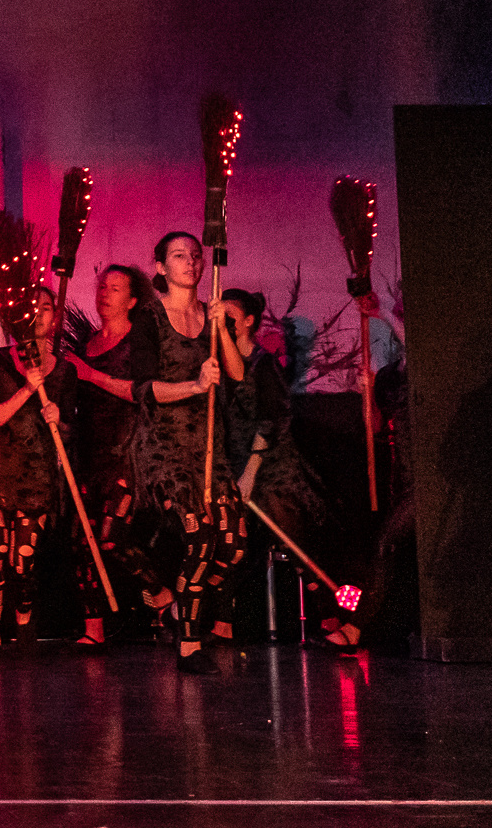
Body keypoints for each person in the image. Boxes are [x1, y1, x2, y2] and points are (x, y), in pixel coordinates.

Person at [107, 232, 236, 674]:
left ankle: (180, 605)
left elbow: (236, 373)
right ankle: (189, 644)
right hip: (164, 446)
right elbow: (144, 389)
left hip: (209, 444)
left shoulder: (211, 314)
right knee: (199, 538)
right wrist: (195, 385)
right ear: (161, 267)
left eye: (195, 255)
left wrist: (221, 328)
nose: (191, 262)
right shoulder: (150, 318)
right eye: (179, 255)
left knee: (234, 545)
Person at [217, 287, 363, 652]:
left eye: (230, 316)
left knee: (296, 548)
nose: (223, 321)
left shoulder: (264, 365)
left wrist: (250, 473)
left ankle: (343, 623)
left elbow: (273, 419)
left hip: (272, 470)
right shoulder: (220, 365)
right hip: (238, 467)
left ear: (248, 321)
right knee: (234, 546)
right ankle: (221, 625)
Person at [0, 286, 77, 664]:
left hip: (36, 474)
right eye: (33, 308)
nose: (39, 314)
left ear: (54, 316)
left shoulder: (64, 370)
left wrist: (59, 420)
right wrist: (29, 388)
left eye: (46, 308)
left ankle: (25, 612)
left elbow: (69, 431)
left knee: (22, 561)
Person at [70, 265, 176, 646]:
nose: (104, 293)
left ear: (132, 301)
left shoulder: (139, 343)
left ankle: (160, 590)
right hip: (90, 453)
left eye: (114, 288)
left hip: (128, 451)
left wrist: (90, 375)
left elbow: (142, 392)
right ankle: (93, 628)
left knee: (111, 539)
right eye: (102, 286)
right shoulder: (86, 346)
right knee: (83, 542)